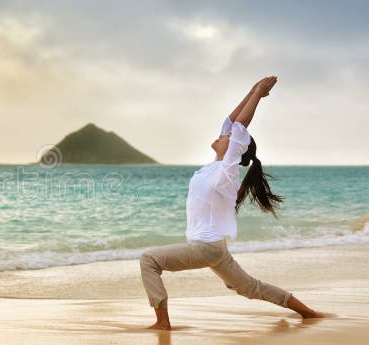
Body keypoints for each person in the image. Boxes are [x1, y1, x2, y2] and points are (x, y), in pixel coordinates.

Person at [139, 76, 325, 331]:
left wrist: (258, 95)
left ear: (235, 149)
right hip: (213, 247)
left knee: (149, 260)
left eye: (229, 137)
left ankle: (162, 322)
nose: (223, 134)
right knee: (249, 288)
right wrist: (251, 92)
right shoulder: (214, 167)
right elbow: (231, 122)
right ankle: (309, 313)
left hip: (206, 246)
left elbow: (237, 128)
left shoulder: (227, 171)